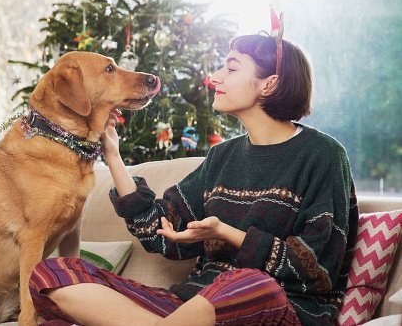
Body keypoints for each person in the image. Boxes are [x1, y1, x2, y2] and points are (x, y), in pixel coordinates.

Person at [28, 33, 359, 326]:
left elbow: (317, 267)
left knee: (250, 283)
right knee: (51, 274)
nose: (215, 77)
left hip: (277, 308)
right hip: (189, 310)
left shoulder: (323, 155)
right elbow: (159, 231)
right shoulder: (222, 157)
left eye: (231, 68)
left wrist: (226, 234)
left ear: (268, 84)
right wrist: (113, 156)